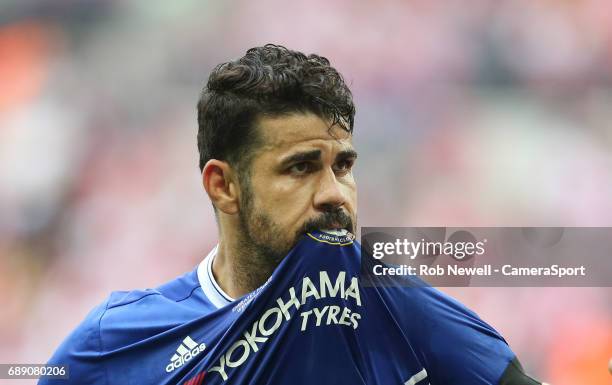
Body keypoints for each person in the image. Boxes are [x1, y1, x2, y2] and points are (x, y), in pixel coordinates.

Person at [41, 44, 543, 384]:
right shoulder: (119, 342)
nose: (334, 194)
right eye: (301, 168)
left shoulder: (394, 306)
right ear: (224, 185)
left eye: (343, 165)